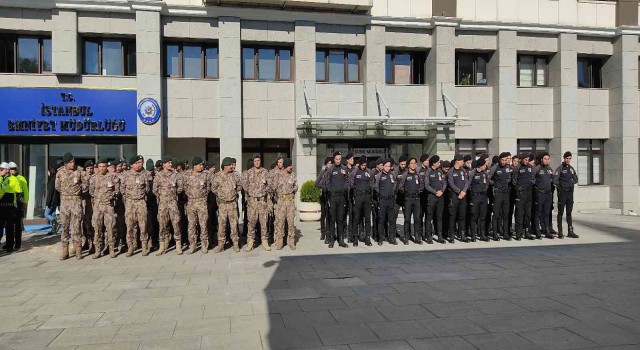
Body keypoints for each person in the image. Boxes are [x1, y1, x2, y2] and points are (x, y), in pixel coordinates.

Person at [55, 153, 88, 260]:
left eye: (73, 161)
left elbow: (86, 185)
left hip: (76, 201)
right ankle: (65, 250)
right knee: (64, 226)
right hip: (64, 202)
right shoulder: (60, 173)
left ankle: (78, 249)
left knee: (76, 227)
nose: (72, 163)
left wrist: (76, 192)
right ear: (65, 163)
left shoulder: (79, 171)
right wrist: (66, 193)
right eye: (70, 162)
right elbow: (57, 186)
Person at [121, 155, 152, 256]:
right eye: (137, 163)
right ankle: (131, 247)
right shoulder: (125, 175)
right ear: (131, 165)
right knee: (130, 226)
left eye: (140, 163)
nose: (139, 165)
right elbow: (122, 189)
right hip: (130, 203)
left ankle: (144, 246)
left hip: (141, 202)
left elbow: (147, 189)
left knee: (143, 225)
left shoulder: (144, 175)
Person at [153, 156, 184, 255]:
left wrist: (173, 194)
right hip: (162, 203)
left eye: (171, 162)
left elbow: (180, 188)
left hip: (173, 203)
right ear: (164, 164)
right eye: (169, 163)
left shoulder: (175, 175)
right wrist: (162, 196)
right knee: (162, 224)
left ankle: (178, 245)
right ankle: (162, 245)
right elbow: (154, 189)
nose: (171, 164)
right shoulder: (158, 175)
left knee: (176, 223)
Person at [89, 159, 120, 258]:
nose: (102, 168)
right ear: (98, 167)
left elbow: (117, 190)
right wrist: (99, 197)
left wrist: (110, 196)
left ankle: (111, 249)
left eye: (104, 166)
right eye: (100, 166)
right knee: (97, 229)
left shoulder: (113, 176)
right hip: (98, 206)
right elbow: (91, 191)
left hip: (108, 206)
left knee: (110, 228)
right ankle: (98, 250)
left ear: (107, 167)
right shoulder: (94, 178)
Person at [211, 157, 242, 253]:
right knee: (222, 225)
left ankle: (235, 244)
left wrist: (234, 192)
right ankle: (221, 244)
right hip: (223, 205)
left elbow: (240, 185)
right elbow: (213, 188)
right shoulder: (218, 176)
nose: (232, 167)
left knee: (234, 225)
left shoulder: (235, 175)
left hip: (232, 204)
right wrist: (221, 194)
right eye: (230, 165)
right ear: (225, 166)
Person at [319, 151, 349, 248]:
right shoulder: (330, 170)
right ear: (333, 159)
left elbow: (347, 181)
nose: (338, 161)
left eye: (339, 159)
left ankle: (341, 240)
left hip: (341, 197)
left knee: (340, 219)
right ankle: (332, 240)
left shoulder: (344, 169)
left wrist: (345, 188)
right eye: (336, 159)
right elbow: (327, 183)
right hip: (333, 197)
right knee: (332, 219)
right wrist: (331, 191)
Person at [242, 153, 270, 251]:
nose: (257, 162)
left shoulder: (265, 172)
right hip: (252, 202)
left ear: (260, 161)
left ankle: (264, 241)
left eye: (258, 160)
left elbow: (269, 185)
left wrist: (263, 192)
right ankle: (250, 242)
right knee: (251, 222)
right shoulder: (248, 173)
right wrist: (251, 192)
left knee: (264, 222)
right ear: (253, 162)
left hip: (262, 202)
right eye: (255, 161)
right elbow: (244, 185)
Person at [184, 156, 211, 254]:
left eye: (202, 164)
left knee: (203, 224)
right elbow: (185, 188)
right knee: (191, 225)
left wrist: (202, 196)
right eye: (200, 164)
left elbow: (208, 187)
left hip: (202, 202)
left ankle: (204, 244)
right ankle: (192, 245)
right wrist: (192, 196)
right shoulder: (187, 175)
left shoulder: (205, 175)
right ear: (195, 166)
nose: (202, 166)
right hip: (191, 202)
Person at [271, 158, 298, 250]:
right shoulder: (278, 176)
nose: (291, 167)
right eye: (289, 165)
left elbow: (296, 186)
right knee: (280, 222)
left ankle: (291, 241)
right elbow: (273, 188)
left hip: (290, 201)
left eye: (291, 165)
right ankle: (280, 242)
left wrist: (291, 192)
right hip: (281, 202)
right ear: (286, 166)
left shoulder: (293, 175)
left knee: (291, 222)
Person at [349, 156, 374, 247]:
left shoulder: (369, 172)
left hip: (367, 196)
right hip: (358, 196)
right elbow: (351, 184)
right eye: (362, 165)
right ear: (359, 164)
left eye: (365, 165)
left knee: (367, 218)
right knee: (356, 218)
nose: (363, 166)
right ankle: (355, 238)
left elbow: (372, 183)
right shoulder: (354, 172)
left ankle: (367, 238)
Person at [554, 151, 579, 239]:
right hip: (562, 193)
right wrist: (561, 186)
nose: (568, 160)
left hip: (569, 193)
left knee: (569, 212)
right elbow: (555, 180)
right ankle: (560, 231)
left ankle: (570, 231)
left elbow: (576, 179)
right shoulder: (560, 168)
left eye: (569, 158)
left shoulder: (571, 168)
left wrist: (570, 183)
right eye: (567, 158)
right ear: (564, 158)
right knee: (560, 213)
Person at [398, 157, 423, 245]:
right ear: (408, 165)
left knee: (417, 219)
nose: (414, 164)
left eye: (415, 163)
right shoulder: (405, 175)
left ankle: (417, 237)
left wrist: (419, 190)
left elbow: (422, 185)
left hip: (417, 199)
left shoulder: (418, 175)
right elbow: (400, 187)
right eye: (412, 163)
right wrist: (407, 192)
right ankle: (406, 237)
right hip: (408, 200)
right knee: (407, 219)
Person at [373, 159, 397, 245]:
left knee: (391, 220)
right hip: (382, 200)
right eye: (386, 166)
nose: (387, 168)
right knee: (381, 220)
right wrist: (382, 193)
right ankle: (381, 238)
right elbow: (375, 187)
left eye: (389, 166)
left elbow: (395, 184)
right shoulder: (379, 175)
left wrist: (392, 191)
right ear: (383, 166)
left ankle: (392, 238)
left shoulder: (392, 174)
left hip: (391, 200)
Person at [488, 152, 511, 241]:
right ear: (499, 160)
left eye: (505, 160)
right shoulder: (495, 167)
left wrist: (506, 183)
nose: (504, 161)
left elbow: (509, 177)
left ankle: (505, 233)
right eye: (502, 160)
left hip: (506, 193)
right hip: (498, 194)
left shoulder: (507, 168)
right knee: (496, 214)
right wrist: (495, 184)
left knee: (505, 214)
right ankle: (494, 233)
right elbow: (488, 178)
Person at [448, 155, 470, 243]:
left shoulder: (463, 171)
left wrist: (464, 191)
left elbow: (466, 182)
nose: (463, 162)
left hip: (463, 196)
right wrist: (459, 192)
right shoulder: (451, 171)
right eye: (462, 161)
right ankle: (452, 235)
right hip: (455, 196)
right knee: (453, 216)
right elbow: (451, 184)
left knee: (462, 216)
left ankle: (462, 234)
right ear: (457, 161)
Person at [512, 154, 534, 240]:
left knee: (528, 213)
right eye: (525, 159)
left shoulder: (530, 167)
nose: (526, 161)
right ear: (521, 159)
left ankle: (527, 231)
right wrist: (518, 189)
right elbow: (514, 181)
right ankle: (518, 232)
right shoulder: (517, 167)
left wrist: (531, 183)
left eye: (528, 159)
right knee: (519, 213)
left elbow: (533, 178)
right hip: (521, 193)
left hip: (529, 192)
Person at [533, 152, 555, 239]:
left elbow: (553, 179)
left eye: (548, 159)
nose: (547, 160)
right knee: (538, 213)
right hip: (540, 193)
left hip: (548, 194)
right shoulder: (537, 168)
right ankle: (537, 231)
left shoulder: (550, 169)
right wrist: (537, 185)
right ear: (541, 159)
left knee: (546, 213)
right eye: (545, 159)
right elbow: (531, 179)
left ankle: (547, 231)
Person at [425, 155, 446, 244]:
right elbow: (426, 185)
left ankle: (440, 236)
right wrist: (435, 192)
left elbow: (444, 182)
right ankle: (428, 236)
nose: (439, 163)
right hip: (432, 197)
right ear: (434, 163)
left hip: (440, 197)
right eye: (438, 162)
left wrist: (442, 191)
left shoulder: (440, 172)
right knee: (429, 217)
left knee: (439, 217)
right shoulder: (428, 172)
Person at [0, 162, 21, 253]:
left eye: (2, 169)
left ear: (7, 170)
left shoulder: (14, 179)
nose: (0, 171)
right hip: (1, 206)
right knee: (0, 227)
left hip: (10, 206)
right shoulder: (0, 179)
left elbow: (18, 192)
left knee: (9, 227)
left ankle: (9, 245)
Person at [468, 158, 490, 242]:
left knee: (482, 217)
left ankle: (482, 234)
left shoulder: (484, 173)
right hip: (475, 197)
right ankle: (473, 235)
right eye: (485, 165)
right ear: (480, 165)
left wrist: (485, 189)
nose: (486, 166)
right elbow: (468, 184)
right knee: (474, 216)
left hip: (483, 197)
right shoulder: (473, 173)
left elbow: (487, 182)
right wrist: (473, 193)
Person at [8, 162, 28, 250]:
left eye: (14, 169)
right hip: (9, 204)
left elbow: (25, 191)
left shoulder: (21, 178)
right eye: (11, 169)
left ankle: (18, 243)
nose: (12, 170)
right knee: (9, 224)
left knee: (17, 224)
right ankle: (9, 243)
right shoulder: (6, 178)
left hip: (18, 203)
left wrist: (25, 202)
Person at [316, 157, 332, 244]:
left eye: (331, 163)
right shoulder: (323, 172)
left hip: (332, 196)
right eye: (328, 163)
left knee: (330, 215)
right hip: (324, 196)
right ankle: (323, 232)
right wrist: (324, 187)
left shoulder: (333, 172)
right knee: (323, 215)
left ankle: (330, 233)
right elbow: (316, 183)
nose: (329, 164)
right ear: (326, 164)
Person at [81, 160, 95, 254]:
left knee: (92, 224)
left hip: (93, 202)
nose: (89, 170)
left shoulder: (95, 177)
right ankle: (85, 242)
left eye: (91, 168)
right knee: (83, 224)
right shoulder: (82, 177)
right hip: (84, 202)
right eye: (88, 168)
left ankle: (93, 244)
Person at [45, 165, 60, 235]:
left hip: (51, 201)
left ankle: (55, 222)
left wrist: (48, 202)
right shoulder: (56, 180)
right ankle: (54, 229)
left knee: (46, 214)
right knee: (53, 214)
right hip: (55, 201)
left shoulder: (51, 181)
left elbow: (50, 193)